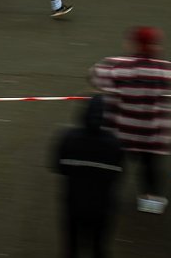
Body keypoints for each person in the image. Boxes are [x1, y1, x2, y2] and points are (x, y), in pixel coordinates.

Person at [90, 27, 171, 214]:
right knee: (150, 168)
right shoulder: (166, 70)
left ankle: (106, 198)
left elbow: (94, 77)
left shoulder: (116, 66)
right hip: (152, 134)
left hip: (121, 132)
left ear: (134, 44)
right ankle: (151, 201)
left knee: (113, 167)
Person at [53, 95, 124, 258]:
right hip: (102, 205)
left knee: (71, 247)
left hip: (74, 202)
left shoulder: (68, 138)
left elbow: (60, 167)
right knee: (99, 247)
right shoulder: (114, 143)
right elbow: (118, 174)